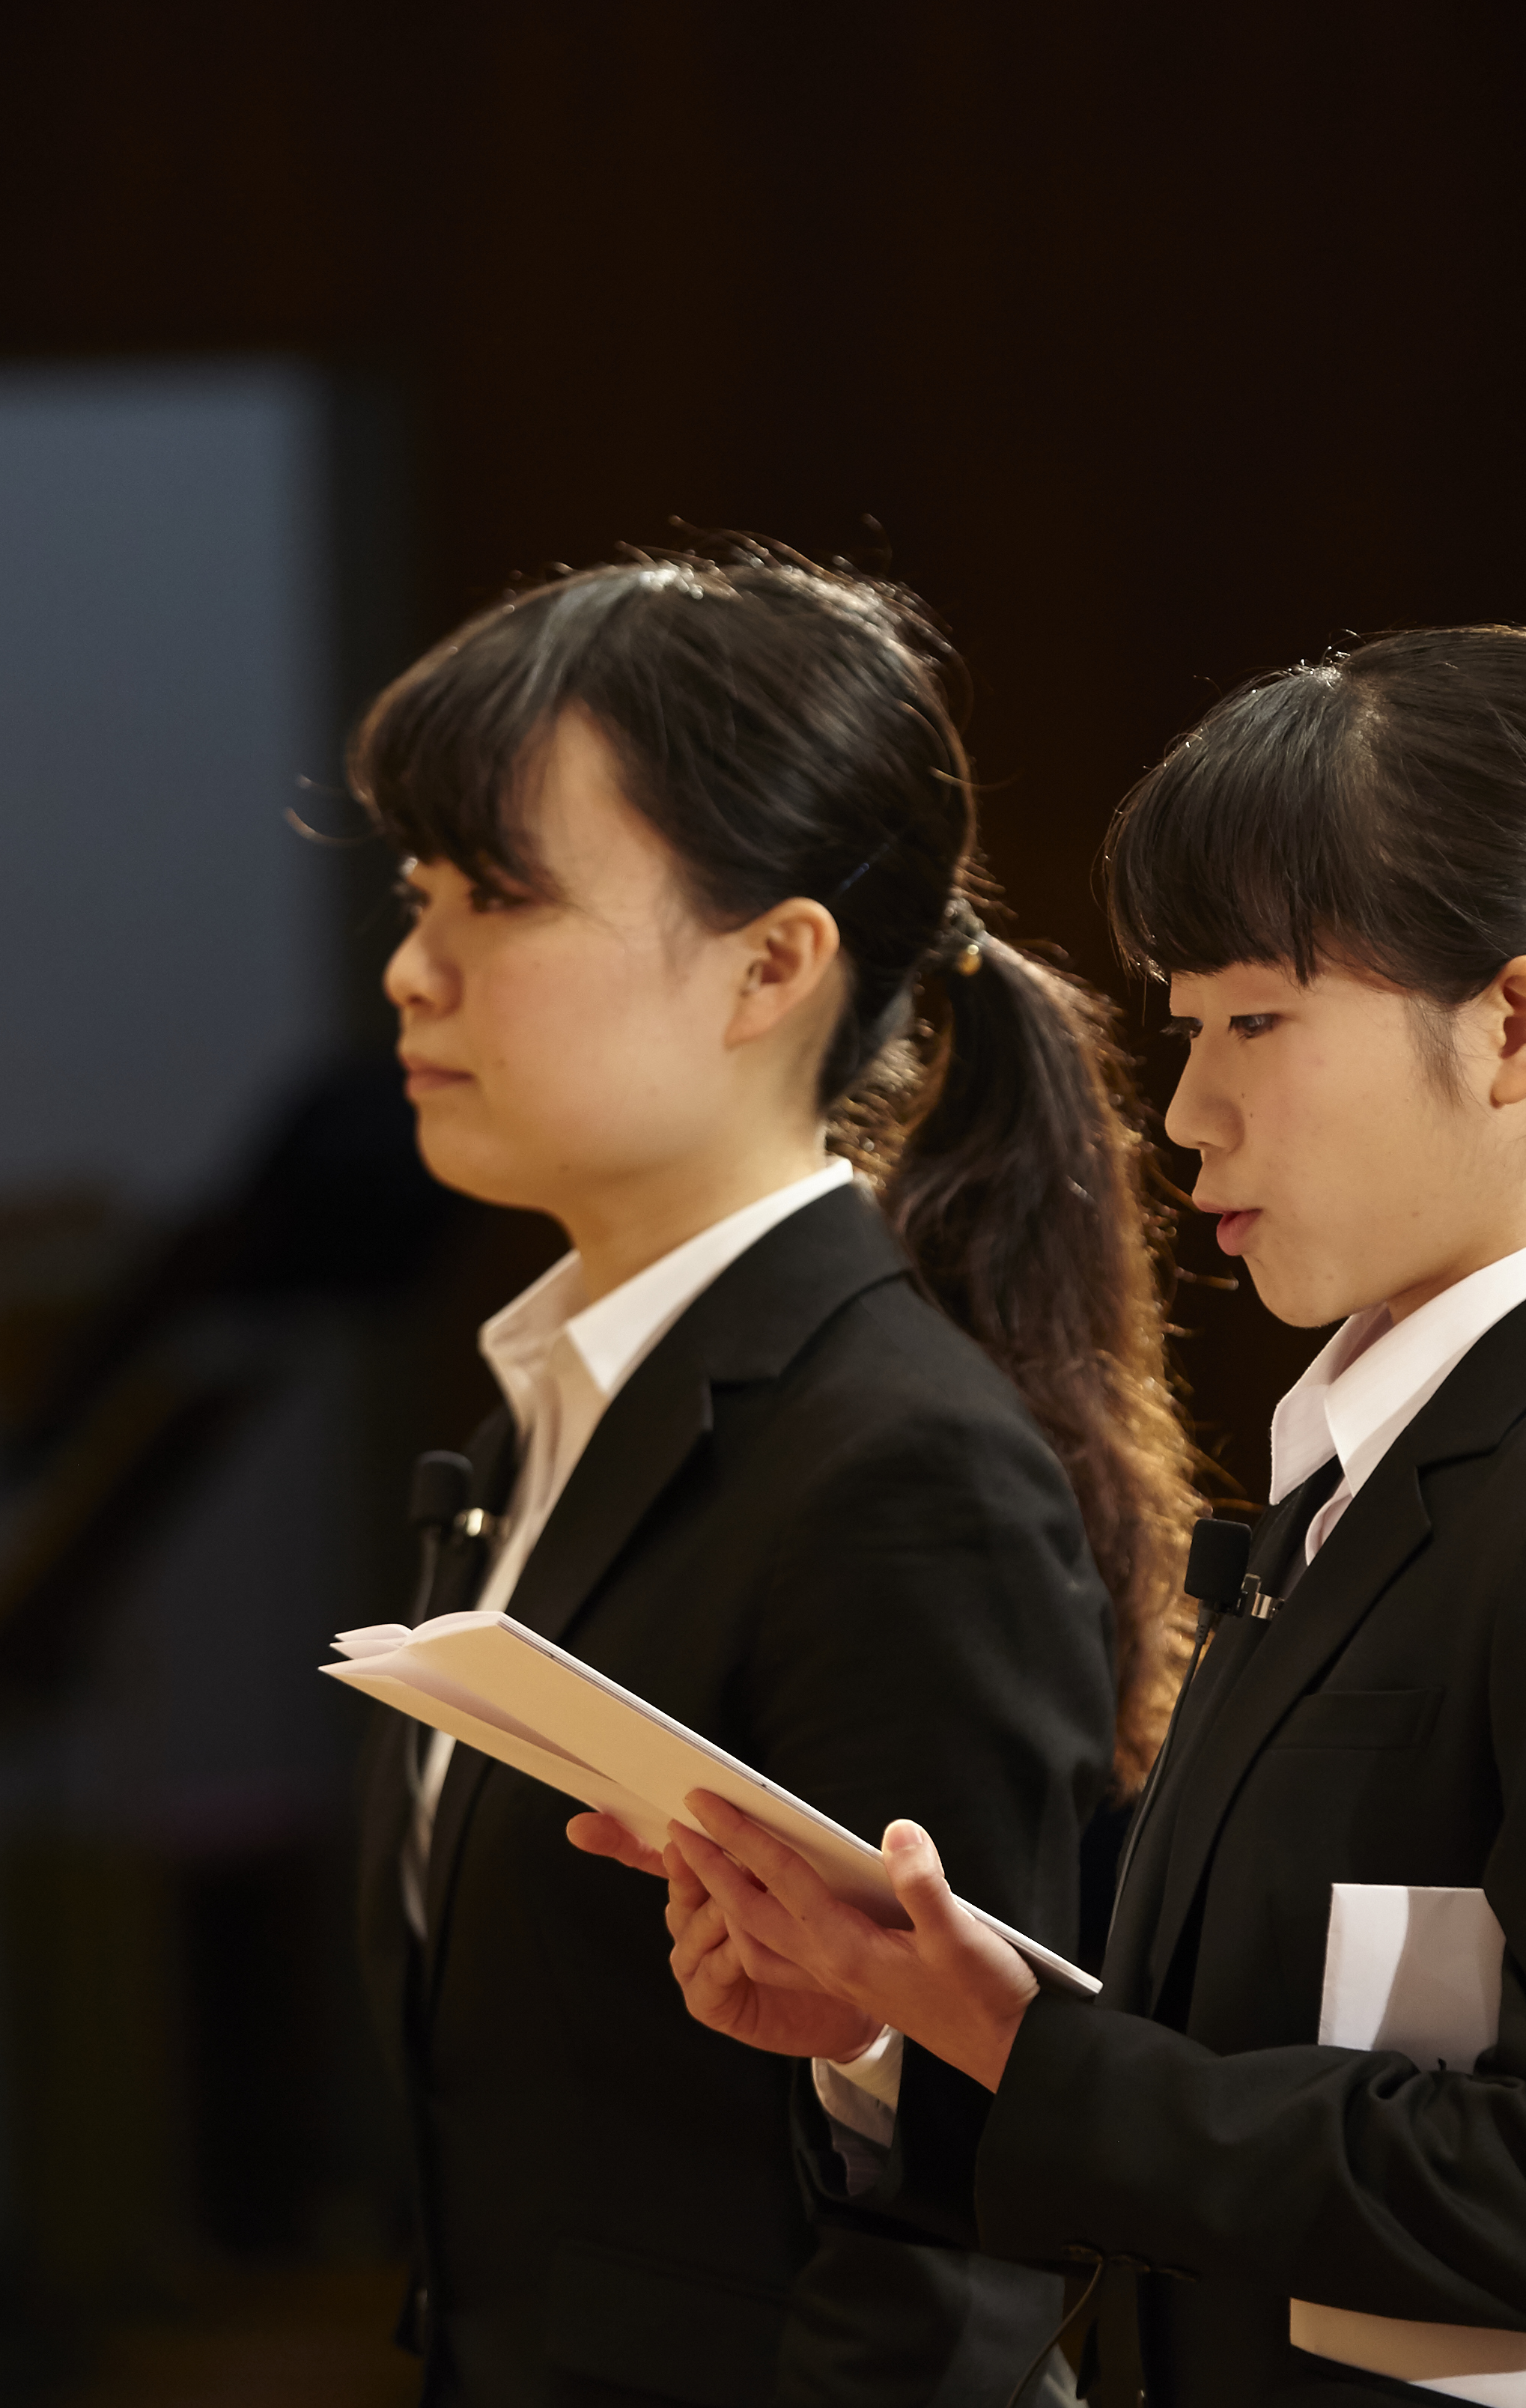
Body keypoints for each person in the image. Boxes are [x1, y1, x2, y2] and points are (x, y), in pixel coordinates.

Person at [578, 626, 1526, 2407]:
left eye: (1255, 1022)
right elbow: (1227, 2083)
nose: (1190, 1109)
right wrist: (899, 2031)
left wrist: (1017, 2039)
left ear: (1514, 1025)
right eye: (1183, 1024)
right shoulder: (1380, 1468)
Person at [347, 540, 1192, 2408]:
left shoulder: (902, 1465)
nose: (413, 964)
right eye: (417, 892)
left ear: (771, 961)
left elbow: (965, 2213)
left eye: (494, 893)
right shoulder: (548, 1410)